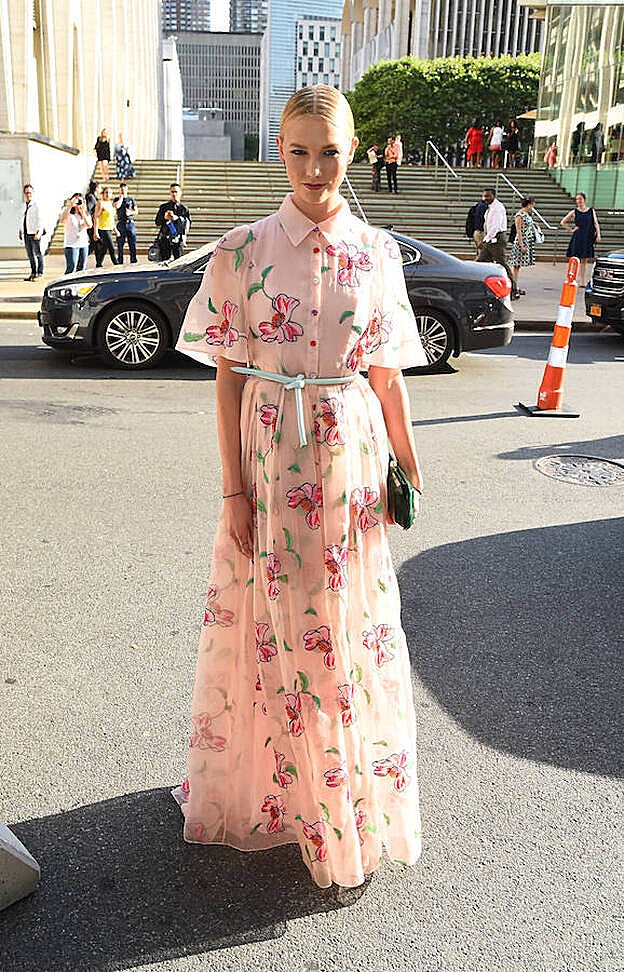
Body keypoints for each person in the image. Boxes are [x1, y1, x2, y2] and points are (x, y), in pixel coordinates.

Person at [172, 83, 426, 890]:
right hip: (271, 452)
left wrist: (408, 465)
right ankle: (279, 794)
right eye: (299, 151)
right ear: (279, 150)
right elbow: (226, 377)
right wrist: (233, 492)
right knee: (272, 622)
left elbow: (387, 374)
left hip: (350, 456)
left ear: (355, 151)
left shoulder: (377, 253)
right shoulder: (240, 250)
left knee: (345, 624)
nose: (315, 169)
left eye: (331, 152)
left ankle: (341, 797)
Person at [477, 187, 517, 297]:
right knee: (481, 262)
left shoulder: (497, 208)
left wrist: (484, 240)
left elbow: (495, 227)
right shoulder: (490, 207)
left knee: (502, 264)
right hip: (491, 239)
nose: (485, 198)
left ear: (493, 196)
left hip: (496, 239)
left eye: (488, 196)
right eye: (484, 196)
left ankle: (513, 290)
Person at [560, 192, 602, 287]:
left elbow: (596, 223)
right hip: (578, 237)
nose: (578, 201)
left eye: (580, 199)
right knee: (575, 259)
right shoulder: (574, 211)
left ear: (584, 199)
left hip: (587, 237)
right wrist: (571, 230)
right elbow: (562, 222)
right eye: (577, 199)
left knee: (584, 260)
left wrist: (598, 234)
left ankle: (582, 281)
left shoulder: (591, 211)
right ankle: (572, 279)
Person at [509, 196, 537, 296]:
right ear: (529, 204)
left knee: (518, 266)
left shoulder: (526, 214)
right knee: (516, 266)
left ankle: (515, 286)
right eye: (532, 204)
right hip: (521, 242)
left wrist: (533, 224)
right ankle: (513, 287)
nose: (533, 206)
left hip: (526, 241)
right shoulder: (520, 215)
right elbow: (519, 230)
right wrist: (521, 245)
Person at [155, 183, 191, 260]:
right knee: (164, 262)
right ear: (170, 193)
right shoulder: (164, 207)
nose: (174, 194)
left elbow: (187, 225)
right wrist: (164, 217)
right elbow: (157, 222)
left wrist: (177, 218)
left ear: (180, 193)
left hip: (178, 239)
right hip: (165, 238)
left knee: (179, 262)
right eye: (172, 192)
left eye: (176, 192)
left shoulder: (184, 209)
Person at [18, 184, 45, 280]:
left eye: (29, 192)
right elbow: (22, 219)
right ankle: (33, 273)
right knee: (30, 255)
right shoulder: (23, 206)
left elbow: (40, 220)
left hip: (34, 233)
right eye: (26, 193)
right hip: (26, 233)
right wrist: (21, 230)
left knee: (38, 253)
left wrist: (39, 232)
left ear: (33, 193)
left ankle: (40, 273)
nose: (28, 194)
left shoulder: (37, 205)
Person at [60, 193, 92, 274]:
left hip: (83, 244)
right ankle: (67, 281)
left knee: (81, 268)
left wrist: (82, 212)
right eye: (76, 200)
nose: (78, 202)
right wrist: (70, 206)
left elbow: (89, 225)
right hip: (71, 244)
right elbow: (63, 220)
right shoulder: (68, 212)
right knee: (71, 267)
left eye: (80, 200)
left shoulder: (85, 213)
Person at [93, 186, 118, 267]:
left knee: (104, 248)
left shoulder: (111, 204)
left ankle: (99, 264)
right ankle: (116, 263)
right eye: (106, 192)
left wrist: (115, 230)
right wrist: (95, 231)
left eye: (110, 193)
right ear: (103, 194)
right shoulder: (100, 203)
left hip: (110, 228)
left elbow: (111, 218)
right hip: (103, 228)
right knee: (111, 247)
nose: (108, 194)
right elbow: (96, 217)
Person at [113, 182, 138, 264]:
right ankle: (120, 260)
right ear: (119, 190)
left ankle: (133, 260)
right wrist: (121, 198)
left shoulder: (131, 199)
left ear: (127, 190)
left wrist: (130, 212)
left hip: (130, 223)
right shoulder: (116, 199)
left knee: (132, 243)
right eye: (121, 189)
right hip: (121, 223)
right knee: (120, 243)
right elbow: (116, 206)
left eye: (124, 189)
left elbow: (136, 211)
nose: (123, 191)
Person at [465, 191, 488, 258]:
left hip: (477, 231)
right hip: (482, 232)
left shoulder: (478, 206)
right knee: (483, 253)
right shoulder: (484, 207)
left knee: (480, 251)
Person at [85, 181, 101, 255]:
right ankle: (81, 257)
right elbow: (88, 209)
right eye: (99, 187)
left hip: (93, 222)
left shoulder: (94, 197)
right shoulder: (91, 197)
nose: (101, 189)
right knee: (94, 243)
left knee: (95, 244)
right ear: (96, 188)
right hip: (91, 222)